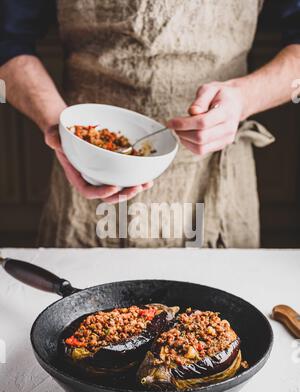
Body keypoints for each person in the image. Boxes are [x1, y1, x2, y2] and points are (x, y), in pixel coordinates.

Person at [0, 0, 300, 248]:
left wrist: (243, 99)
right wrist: (60, 128)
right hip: (86, 170)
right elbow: (8, 43)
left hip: (211, 178)